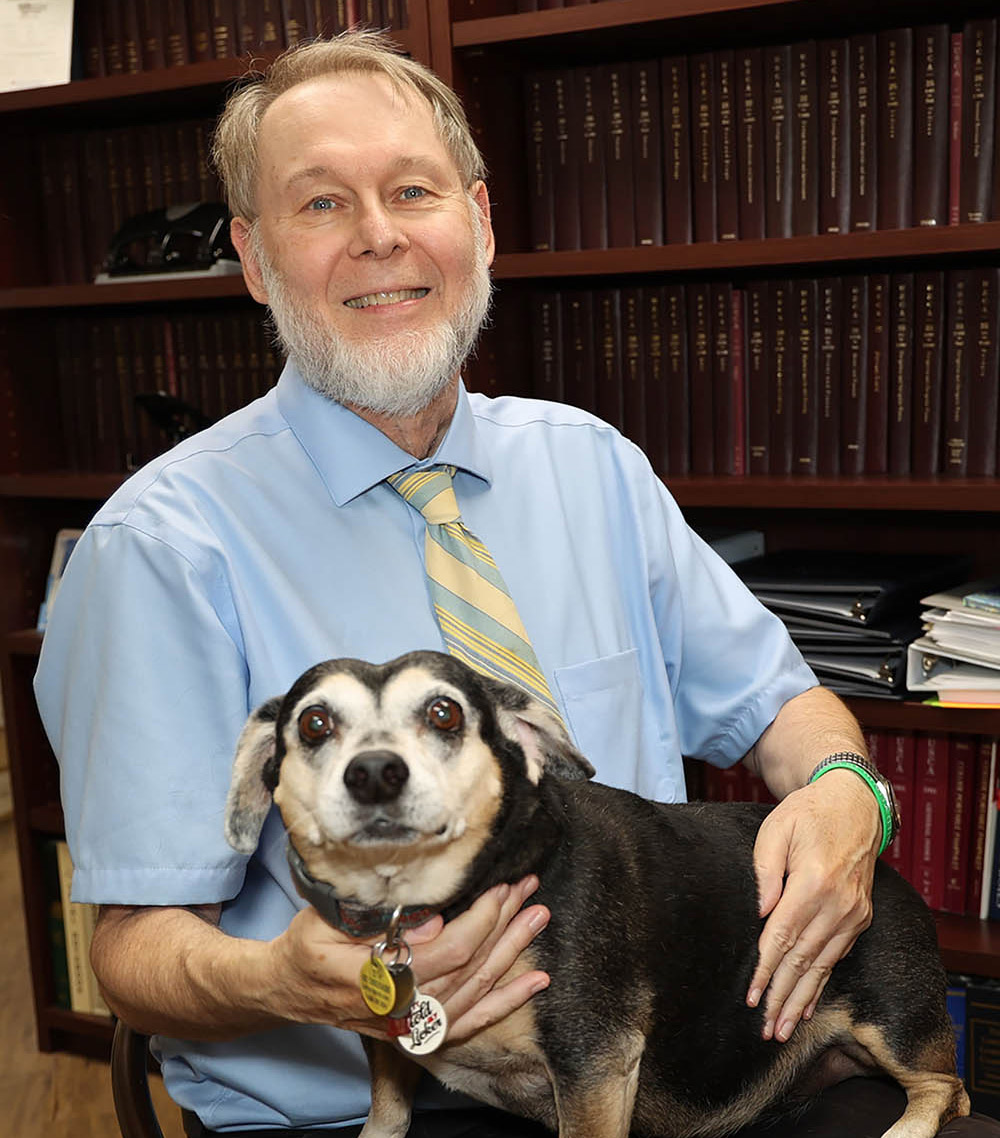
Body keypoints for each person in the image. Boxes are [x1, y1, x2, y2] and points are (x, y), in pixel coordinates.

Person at [33, 30, 993, 1138]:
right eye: (322, 205)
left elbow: (785, 706)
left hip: (673, 1065)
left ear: (479, 224)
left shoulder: (593, 463)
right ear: (252, 258)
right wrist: (289, 982)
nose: (381, 236)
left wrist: (841, 794)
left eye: (410, 190)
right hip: (376, 1105)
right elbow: (133, 951)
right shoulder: (159, 544)